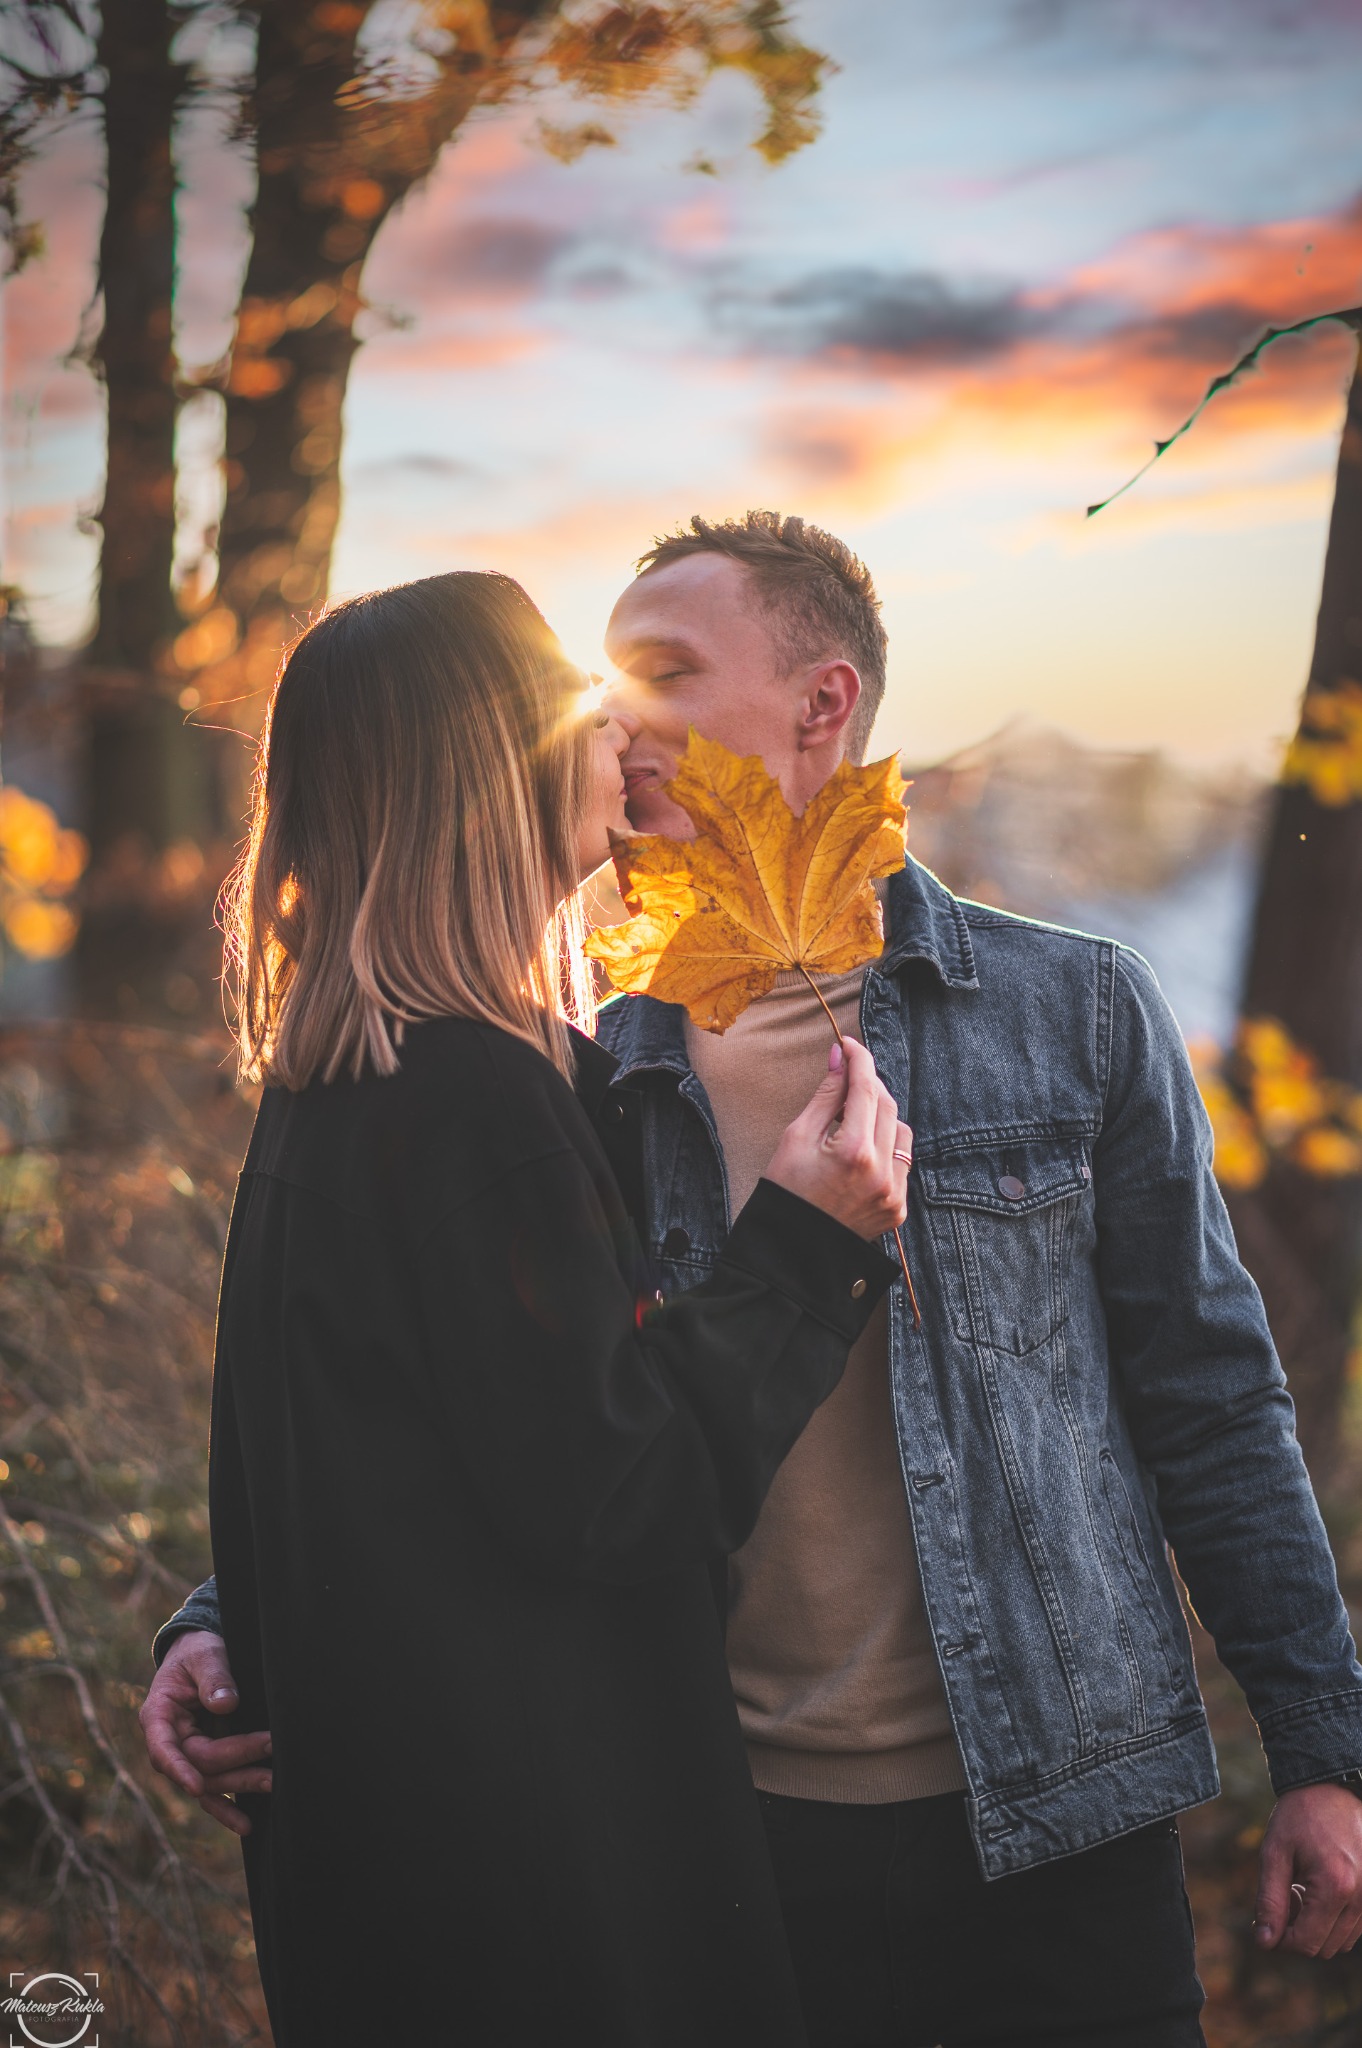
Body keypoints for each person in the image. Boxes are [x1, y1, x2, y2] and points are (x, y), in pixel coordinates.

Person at [147, 519, 1362, 2047]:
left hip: (1057, 1817)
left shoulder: (1073, 1015)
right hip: (732, 1831)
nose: (614, 716)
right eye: (605, 678)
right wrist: (227, 1616)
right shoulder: (590, 1067)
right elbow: (480, 1399)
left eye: (661, 672)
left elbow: (1210, 1404)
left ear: (822, 703)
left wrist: (1323, 1748)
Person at [173, 565, 917, 2048]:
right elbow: (619, 1494)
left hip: (408, 1881)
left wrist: (211, 1624)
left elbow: (370, 1462)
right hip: (543, 1903)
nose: (615, 743)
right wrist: (806, 1249)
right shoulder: (469, 1105)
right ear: (492, 768)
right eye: (580, 711)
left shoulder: (350, 1090)